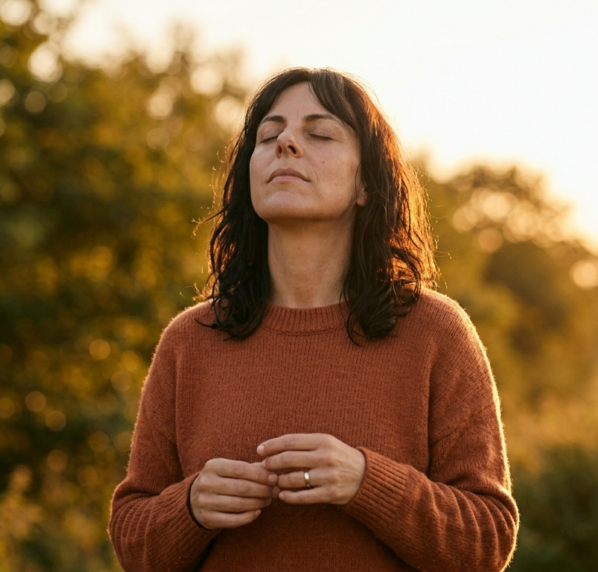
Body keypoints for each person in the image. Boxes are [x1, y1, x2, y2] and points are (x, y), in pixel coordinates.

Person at [108, 67, 518, 571]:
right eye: (268, 135)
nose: (286, 144)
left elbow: (488, 542)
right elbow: (132, 539)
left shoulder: (434, 332)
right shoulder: (190, 340)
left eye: (319, 133)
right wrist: (189, 507)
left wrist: (367, 482)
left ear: (367, 182)